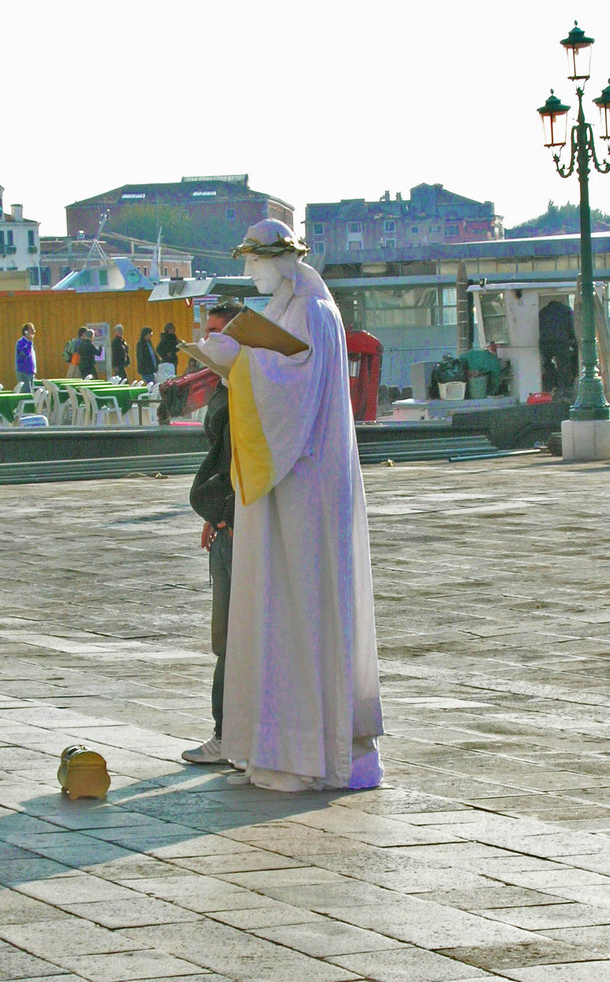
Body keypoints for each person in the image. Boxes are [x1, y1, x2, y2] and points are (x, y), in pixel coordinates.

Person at [197, 219, 383, 792]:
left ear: (279, 260)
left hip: (303, 486)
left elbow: (292, 388)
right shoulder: (285, 307)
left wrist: (236, 361)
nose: (249, 272)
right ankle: (275, 746)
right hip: (281, 482)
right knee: (277, 607)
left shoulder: (311, 310)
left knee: (302, 604)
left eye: (255, 262)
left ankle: (304, 753)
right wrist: (235, 361)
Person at [182, 301, 241, 765]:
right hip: (222, 525)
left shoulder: (247, 388)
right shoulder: (223, 388)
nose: (208, 342)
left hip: (239, 527)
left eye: (218, 333)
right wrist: (213, 514)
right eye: (207, 332)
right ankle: (226, 731)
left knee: (237, 637)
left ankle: (231, 733)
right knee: (224, 638)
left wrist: (225, 512)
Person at [15, 323, 36, 393]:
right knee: (26, 393)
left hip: (30, 372)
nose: (34, 331)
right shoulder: (21, 342)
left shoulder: (30, 343)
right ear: (26, 331)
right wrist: (30, 342)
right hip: (23, 372)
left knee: (31, 392)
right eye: (31, 329)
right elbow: (26, 354)